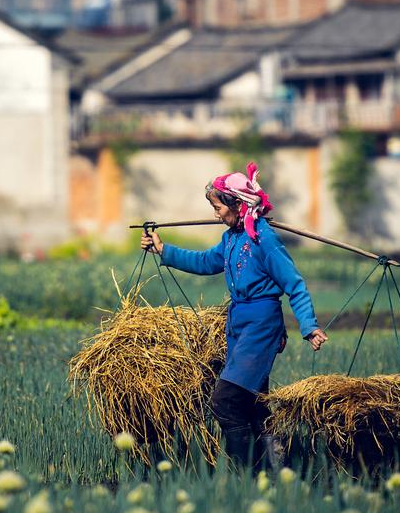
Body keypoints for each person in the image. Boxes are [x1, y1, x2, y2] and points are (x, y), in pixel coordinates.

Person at [140, 162, 328, 472]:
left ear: (237, 204)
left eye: (217, 207)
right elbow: (205, 261)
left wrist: (308, 326)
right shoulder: (231, 238)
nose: (215, 214)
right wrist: (164, 250)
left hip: (261, 325)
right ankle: (273, 467)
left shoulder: (263, 240)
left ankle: (244, 473)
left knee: (225, 401)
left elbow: (294, 283)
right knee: (254, 404)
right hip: (239, 324)